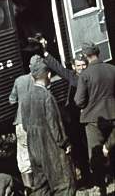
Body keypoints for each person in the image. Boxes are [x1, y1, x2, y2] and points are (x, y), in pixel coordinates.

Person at [21, 55, 76, 196]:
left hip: (34, 150)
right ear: (49, 75)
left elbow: (26, 126)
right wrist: (65, 143)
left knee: (41, 188)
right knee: (65, 186)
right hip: (51, 148)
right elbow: (55, 126)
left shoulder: (25, 98)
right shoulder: (47, 97)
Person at [42, 45, 90, 186]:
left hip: (85, 119)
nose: (81, 68)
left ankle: (92, 177)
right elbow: (58, 68)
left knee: (87, 148)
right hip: (75, 120)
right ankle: (87, 176)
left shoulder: (83, 78)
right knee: (80, 150)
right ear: (74, 67)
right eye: (78, 65)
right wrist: (45, 53)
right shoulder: (74, 76)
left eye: (83, 65)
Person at [74, 42, 115, 194]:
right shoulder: (112, 69)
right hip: (113, 114)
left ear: (85, 56)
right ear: (98, 53)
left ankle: (101, 188)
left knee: (95, 154)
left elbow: (79, 101)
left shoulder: (85, 75)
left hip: (93, 119)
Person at [9, 66, 35, 193]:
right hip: (37, 121)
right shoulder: (41, 78)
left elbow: (12, 100)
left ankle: (29, 191)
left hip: (21, 122)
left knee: (24, 159)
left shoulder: (19, 80)